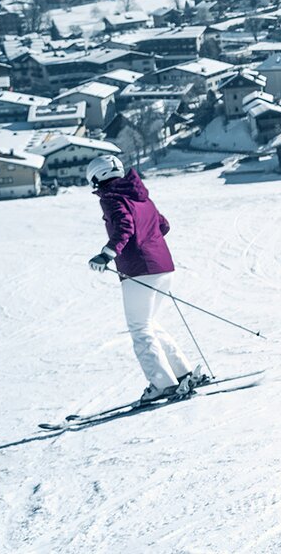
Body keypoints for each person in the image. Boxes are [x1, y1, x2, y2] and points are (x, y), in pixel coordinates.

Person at [85, 155, 207, 404]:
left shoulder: (112, 198)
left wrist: (106, 255)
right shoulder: (141, 196)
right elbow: (163, 225)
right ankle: (182, 373)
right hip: (164, 267)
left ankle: (163, 384)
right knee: (149, 323)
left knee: (140, 329)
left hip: (139, 269)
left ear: (97, 177)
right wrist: (149, 239)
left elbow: (125, 227)